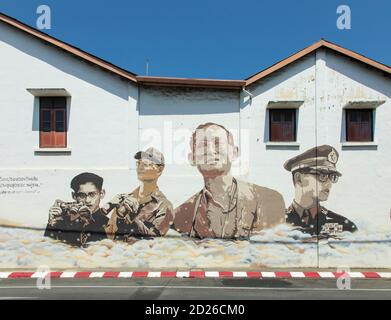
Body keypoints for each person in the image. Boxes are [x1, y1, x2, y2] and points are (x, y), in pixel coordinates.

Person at [173, 122, 286, 239]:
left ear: (235, 152)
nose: (211, 151)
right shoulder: (181, 216)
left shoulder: (269, 200)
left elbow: (273, 252)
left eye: (217, 143)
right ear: (192, 159)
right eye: (203, 145)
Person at [284, 145, 358, 237]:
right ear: (299, 178)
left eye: (332, 177)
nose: (329, 183)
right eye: (322, 175)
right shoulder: (275, 223)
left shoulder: (344, 225)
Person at [106, 148, 174, 241]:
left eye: (146, 164)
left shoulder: (164, 206)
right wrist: (119, 214)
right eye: (138, 163)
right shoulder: (123, 199)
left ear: (160, 169)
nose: (140, 167)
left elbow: (155, 241)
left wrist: (133, 219)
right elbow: (108, 236)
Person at [44, 172, 109, 246]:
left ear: (102, 193)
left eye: (92, 194)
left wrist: (89, 221)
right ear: (74, 196)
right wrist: (51, 223)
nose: (87, 200)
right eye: (82, 195)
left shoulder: (109, 224)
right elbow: (46, 250)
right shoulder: (62, 222)